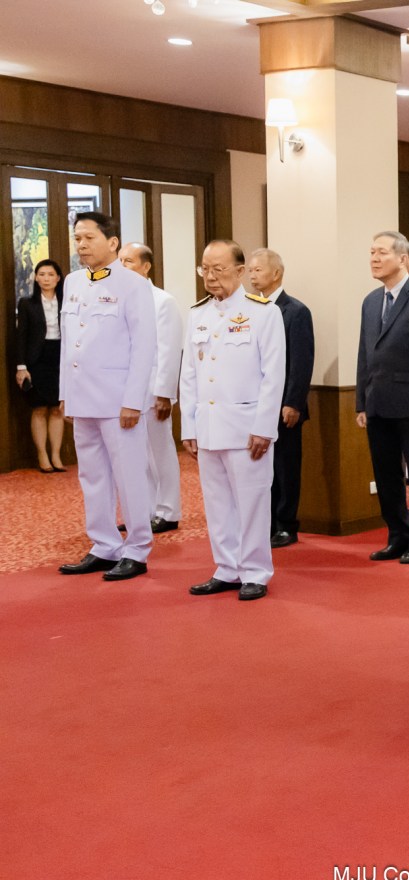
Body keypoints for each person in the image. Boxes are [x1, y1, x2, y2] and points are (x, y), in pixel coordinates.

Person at [180, 240, 286, 601]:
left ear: (240, 271)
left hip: (246, 428)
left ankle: (255, 571)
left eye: (218, 269)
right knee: (217, 502)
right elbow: (189, 375)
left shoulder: (264, 312)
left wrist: (263, 427)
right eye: (204, 269)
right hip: (209, 425)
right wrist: (188, 426)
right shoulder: (197, 314)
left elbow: (274, 375)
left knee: (252, 502)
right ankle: (226, 567)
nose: (210, 277)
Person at [56, 212, 157, 582]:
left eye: (88, 238)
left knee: (129, 475)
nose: (81, 245)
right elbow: (70, 344)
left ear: (112, 242)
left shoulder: (133, 284)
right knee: (92, 475)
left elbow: (144, 346)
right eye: (77, 238)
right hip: (83, 398)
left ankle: (137, 548)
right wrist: (66, 393)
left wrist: (134, 399)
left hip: (119, 401)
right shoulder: (73, 282)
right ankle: (103, 544)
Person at [356, 231, 409, 564]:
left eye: (381, 252)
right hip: (378, 402)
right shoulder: (370, 300)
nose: (374, 259)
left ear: (402, 257)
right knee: (387, 476)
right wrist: (361, 401)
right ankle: (397, 535)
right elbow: (365, 352)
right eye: (371, 252)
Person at [247, 249, 314, 549]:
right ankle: (266, 522)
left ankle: (286, 524)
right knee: (261, 469)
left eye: (257, 270)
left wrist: (293, 403)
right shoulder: (248, 311)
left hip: (284, 406)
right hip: (254, 404)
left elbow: (301, 361)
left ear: (276, 273)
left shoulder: (295, 311)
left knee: (286, 469)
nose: (251, 275)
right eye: (249, 270)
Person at [119, 243, 183, 534]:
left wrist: (164, 393)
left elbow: (168, 350)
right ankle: (143, 510)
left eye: (129, 261)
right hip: (127, 389)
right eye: (120, 261)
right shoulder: (119, 298)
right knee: (135, 453)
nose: (122, 266)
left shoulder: (163, 301)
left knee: (159, 451)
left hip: (153, 388)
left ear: (146, 266)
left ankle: (168, 511)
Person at [14, 258, 66, 473]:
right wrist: (21, 366)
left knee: (57, 409)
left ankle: (56, 454)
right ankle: (42, 455)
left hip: (60, 357)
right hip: (36, 359)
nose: (46, 278)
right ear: (36, 277)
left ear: (58, 278)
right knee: (39, 408)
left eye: (50, 274)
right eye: (41, 274)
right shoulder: (27, 303)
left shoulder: (67, 302)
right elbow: (21, 336)